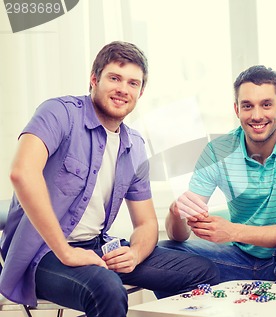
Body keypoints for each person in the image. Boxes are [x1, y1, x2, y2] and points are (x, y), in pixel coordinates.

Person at [0, 41, 219, 317]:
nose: (123, 89)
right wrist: (67, 253)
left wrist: (135, 254)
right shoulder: (59, 113)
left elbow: (146, 222)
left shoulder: (134, 145)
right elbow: (22, 172)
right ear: (94, 78)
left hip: (95, 247)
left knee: (201, 271)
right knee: (108, 288)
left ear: (141, 91)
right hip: (42, 253)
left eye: (133, 83)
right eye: (114, 78)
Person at [159, 65, 276, 285]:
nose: (257, 116)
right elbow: (180, 235)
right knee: (162, 253)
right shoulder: (218, 150)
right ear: (237, 110)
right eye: (247, 106)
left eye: (266, 105)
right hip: (239, 260)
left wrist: (232, 232)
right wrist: (175, 214)